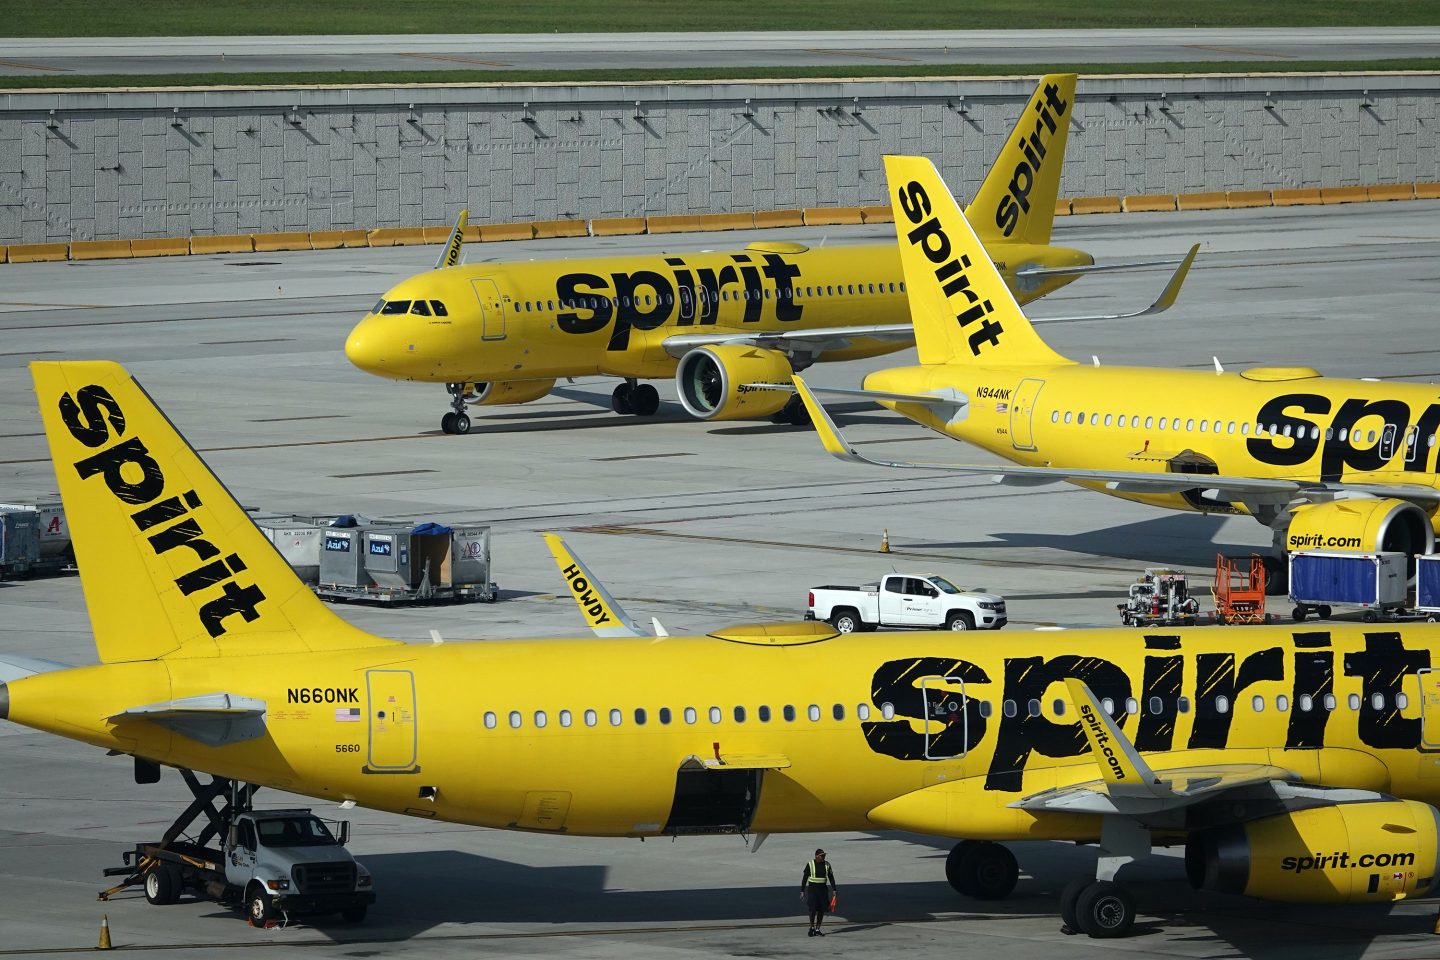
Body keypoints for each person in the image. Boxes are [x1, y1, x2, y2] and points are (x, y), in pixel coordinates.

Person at [799, 848, 837, 936]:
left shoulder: (827, 865)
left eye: (824, 855)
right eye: (822, 855)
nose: (824, 857)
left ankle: (817, 929)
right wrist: (802, 890)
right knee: (812, 909)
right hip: (813, 890)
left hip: (823, 890)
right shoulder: (810, 864)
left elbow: (831, 877)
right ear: (816, 856)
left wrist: (834, 889)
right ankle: (811, 927)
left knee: (822, 910)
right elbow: (805, 878)